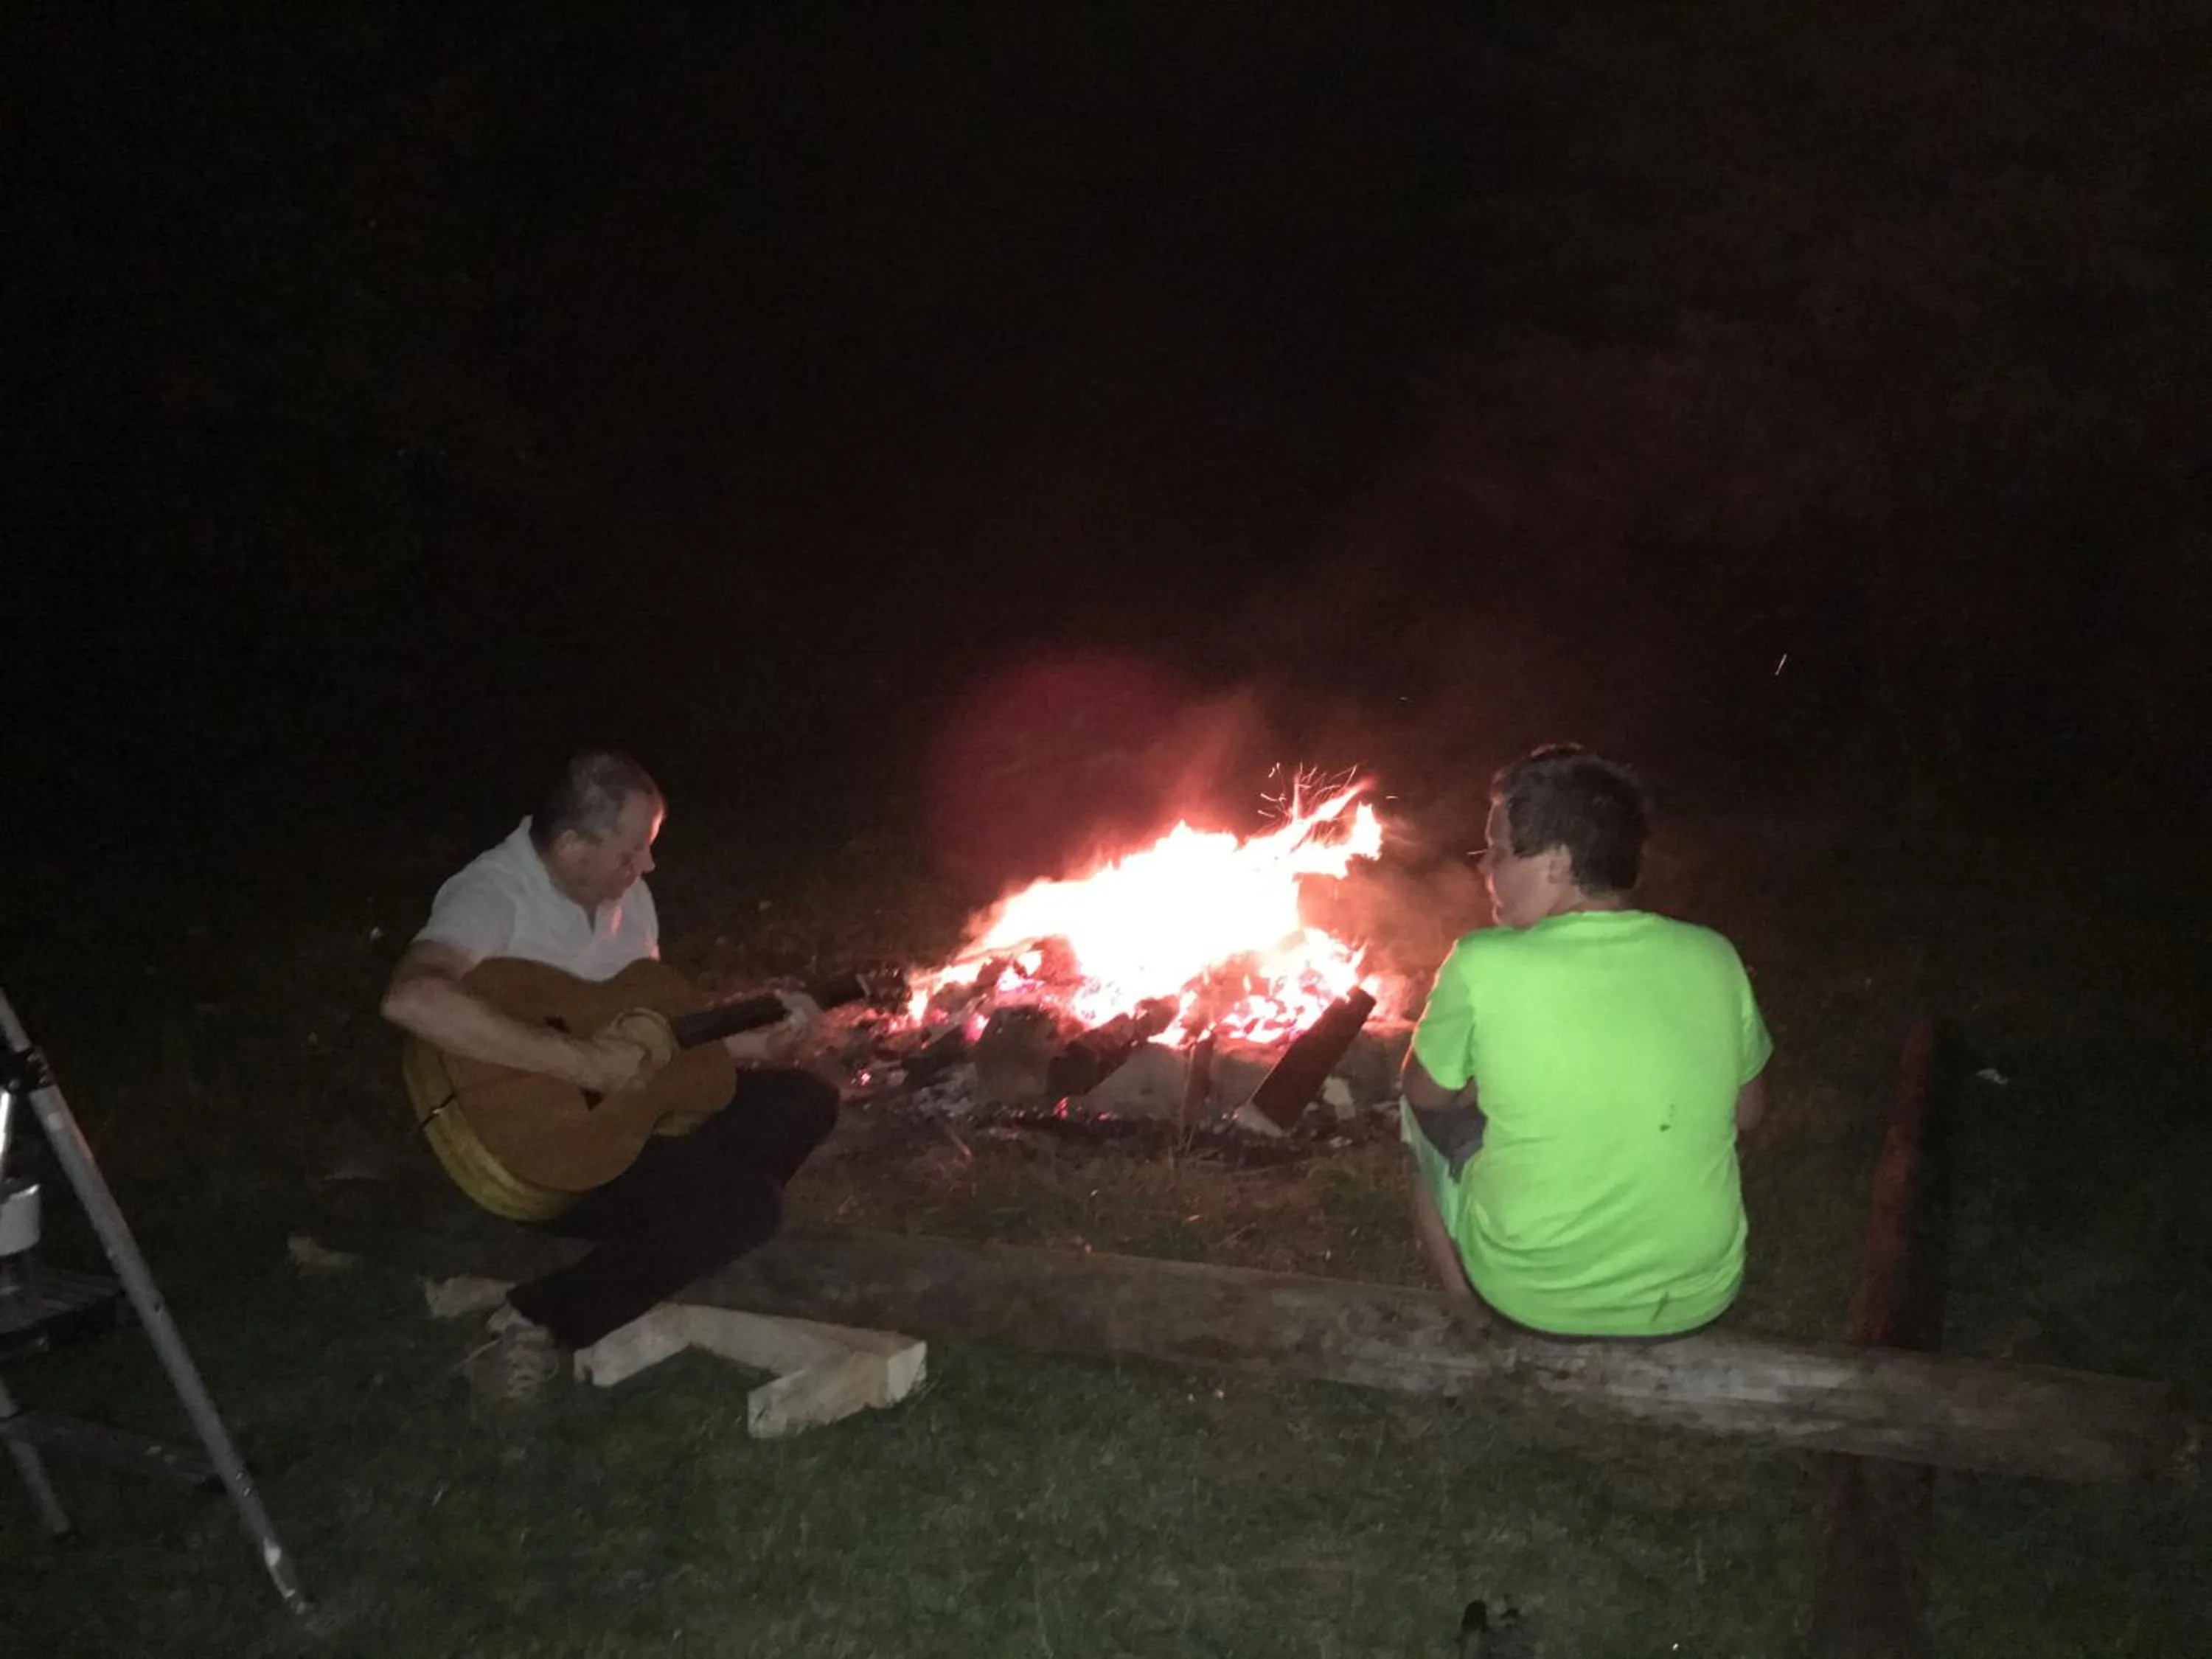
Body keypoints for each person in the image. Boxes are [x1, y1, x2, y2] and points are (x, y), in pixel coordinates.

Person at [380, 750, 839, 1403]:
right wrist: (577, 1061)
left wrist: (755, 1044)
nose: (646, 866)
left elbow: (650, 1035)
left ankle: (670, 1245)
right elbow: (412, 999)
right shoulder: (492, 895)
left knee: (804, 1100)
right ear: (572, 847)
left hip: (623, 1127)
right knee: (747, 1206)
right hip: (541, 1151)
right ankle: (537, 1318)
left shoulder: (629, 898)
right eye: (631, 853)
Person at [1400, 745, 1770, 1338]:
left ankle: (1475, 1323)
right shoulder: (1714, 955)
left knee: (1415, 1126)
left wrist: (1474, 1087)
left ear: (1556, 862)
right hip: (1695, 1297)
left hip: (1532, 1298)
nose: (1485, 868)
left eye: (1498, 850)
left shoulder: (1482, 961)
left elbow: (1423, 1092)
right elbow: (1747, 1113)